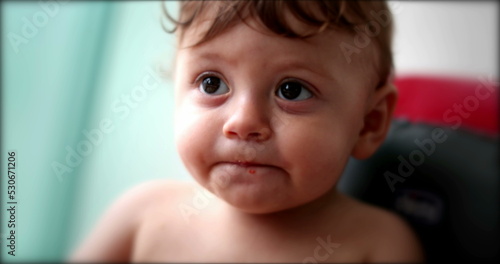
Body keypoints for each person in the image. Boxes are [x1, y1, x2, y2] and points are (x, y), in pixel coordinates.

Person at [70, 0, 424, 262]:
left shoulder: (378, 246)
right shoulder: (140, 217)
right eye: (211, 83)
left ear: (370, 123)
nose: (241, 123)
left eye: (292, 90)